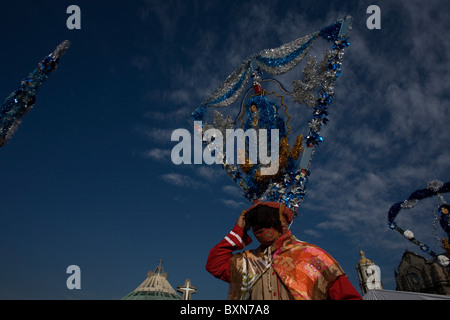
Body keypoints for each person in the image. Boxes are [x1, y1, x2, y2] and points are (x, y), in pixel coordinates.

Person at [206, 201, 362, 300]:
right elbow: (214, 264)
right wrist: (238, 230)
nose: (259, 228)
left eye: (265, 221)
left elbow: (347, 296)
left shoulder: (312, 255)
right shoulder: (247, 261)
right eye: (254, 224)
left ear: (281, 224)